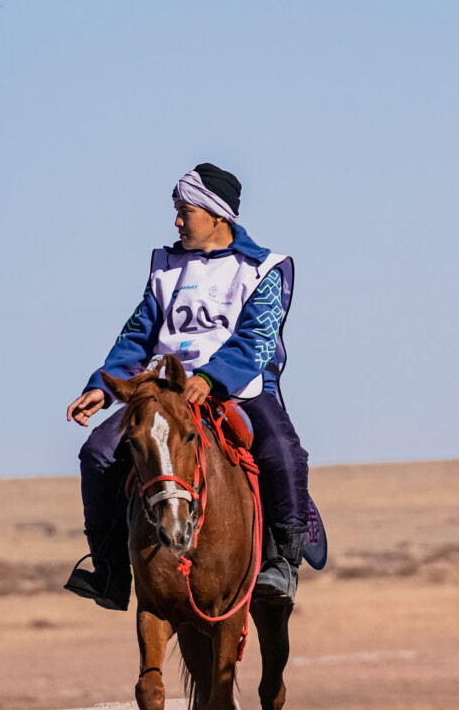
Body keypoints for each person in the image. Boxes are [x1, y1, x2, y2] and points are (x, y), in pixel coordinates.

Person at [64, 163, 313, 608]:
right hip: (160, 391)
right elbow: (138, 332)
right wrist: (103, 387)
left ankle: (283, 564)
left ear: (217, 215)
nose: (177, 221)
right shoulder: (165, 267)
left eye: (185, 211)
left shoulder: (264, 269)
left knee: (282, 451)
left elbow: (257, 339)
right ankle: (110, 572)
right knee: (98, 453)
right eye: (176, 211)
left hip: (240, 388)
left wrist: (210, 378)